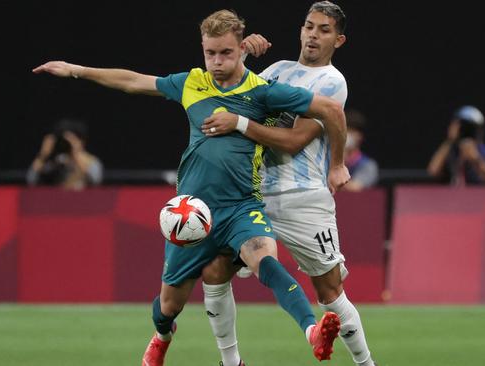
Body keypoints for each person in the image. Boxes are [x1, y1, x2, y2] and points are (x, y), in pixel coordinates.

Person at [33, 9, 350, 366]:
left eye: (226, 53)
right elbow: (133, 81)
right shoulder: (191, 83)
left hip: (241, 206)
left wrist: (335, 164)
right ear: (203, 49)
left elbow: (330, 111)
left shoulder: (262, 92)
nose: (217, 61)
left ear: (240, 50)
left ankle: (312, 332)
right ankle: (162, 335)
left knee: (266, 259)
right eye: (210, 53)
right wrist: (76, 69)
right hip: (193, 213)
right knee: (168, 306)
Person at [201, 2, 376, 365]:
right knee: (215, 269)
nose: (313, 34)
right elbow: (239, 96)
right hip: (255, 194)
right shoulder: (277, 70)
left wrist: (240, 124)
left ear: (338, 40)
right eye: (309, 26)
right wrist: (241, 55)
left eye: (324, 29)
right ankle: (230, 361)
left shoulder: (331, 82)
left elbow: (295, 140)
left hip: (303, 197)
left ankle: (366, 364)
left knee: (330, 292)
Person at [427, 105, 485, 185]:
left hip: (479, 199)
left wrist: (476, 160)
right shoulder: (451, 153)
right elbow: (433, 171)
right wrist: (450, 140)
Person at [26, 118, 103, 191]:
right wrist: (43, 155)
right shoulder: (56, 161)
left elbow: (96, 181)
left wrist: (75, 153)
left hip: (83, 201)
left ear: (82, 141)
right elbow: (31, 181)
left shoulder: (91, 161)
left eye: (72, 139)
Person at [342, 109, 378, 191]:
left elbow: (355, 188)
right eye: (346, 130)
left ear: (360, 136)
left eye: (353, 131)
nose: (348, 135)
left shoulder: (368, 165)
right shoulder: (326, 161)